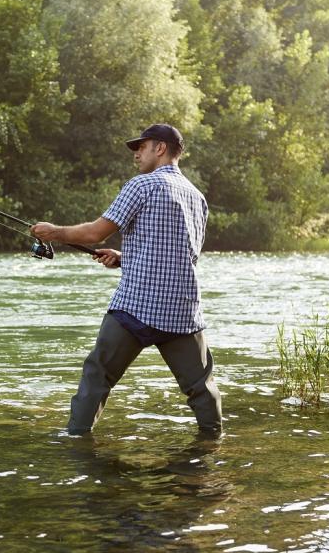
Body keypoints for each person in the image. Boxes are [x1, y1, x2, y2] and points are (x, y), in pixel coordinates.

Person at [31, 123, 223, 436]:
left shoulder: (141, 186)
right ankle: (214, 443)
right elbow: (185, 256)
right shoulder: (197, 198)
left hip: (136, 307)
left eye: (141, 146)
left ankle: (77, 441)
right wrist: (124, 258)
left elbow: (95, 232)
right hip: (182, 311)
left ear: (160, 148)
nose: (135, 153)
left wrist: (56, 233)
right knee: (201, 387)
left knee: (98, 374)